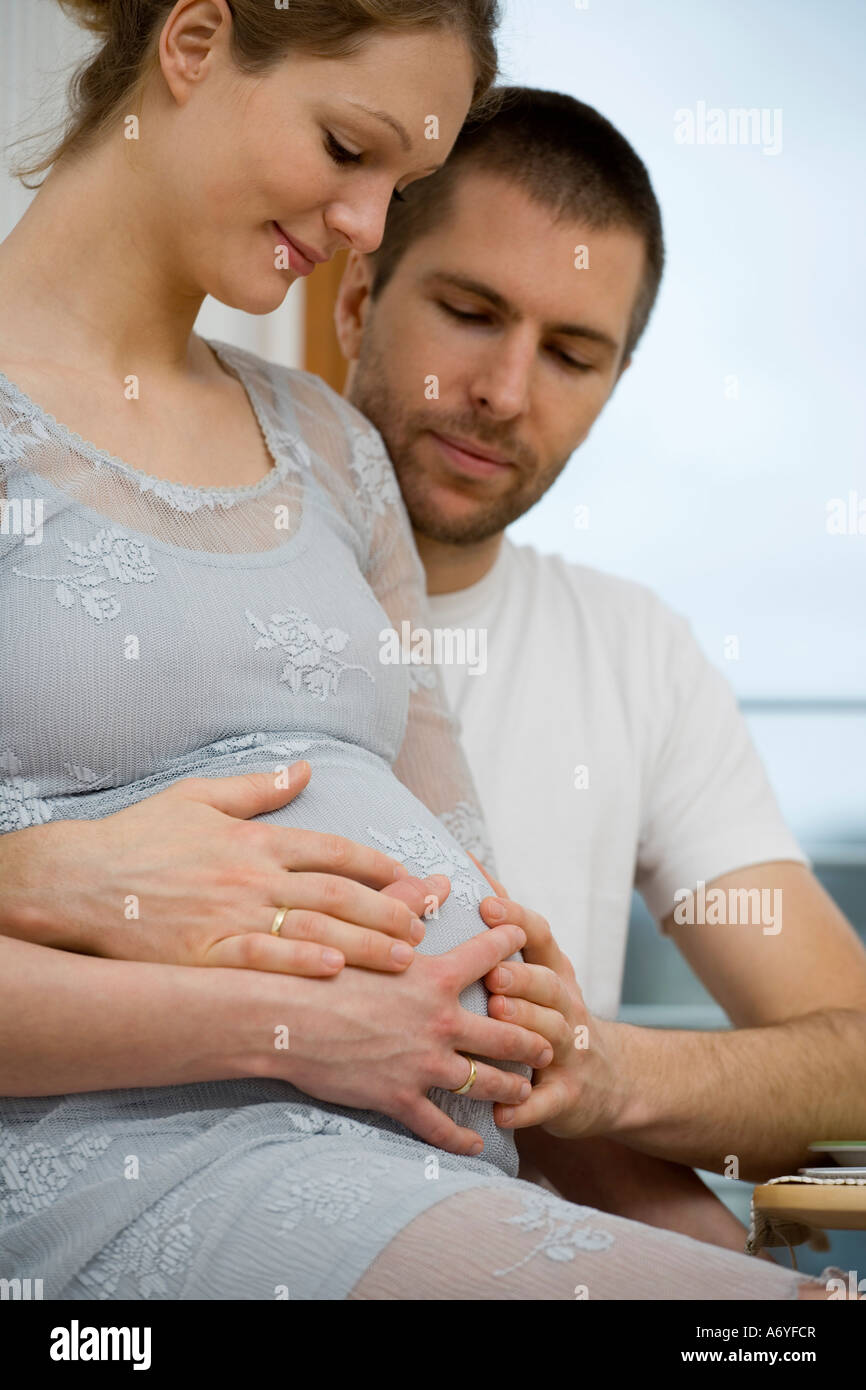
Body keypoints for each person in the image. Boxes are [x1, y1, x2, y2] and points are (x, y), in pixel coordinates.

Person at [0, 0, 838, 1301]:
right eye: (348, 148)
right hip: (144, 1184)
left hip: (433, 1164)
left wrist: (751, 1269)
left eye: (572, 352)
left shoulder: (330, 461)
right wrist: (278, 1016)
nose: (362, 226)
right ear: (195, 40)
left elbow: (481, 986)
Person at [334, 87, 866, 1229]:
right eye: (471, 311)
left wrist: (602, 1073)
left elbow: (850, 1058)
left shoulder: (636, 655)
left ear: (614, 384)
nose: (503, 394)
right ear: (356, 294)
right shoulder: (188, 578)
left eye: (572, 354)